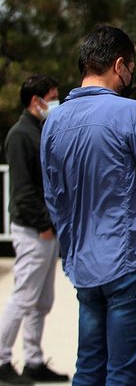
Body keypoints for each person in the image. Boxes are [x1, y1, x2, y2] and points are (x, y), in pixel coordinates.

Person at [40, 24, 136, 385]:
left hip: (85, 264)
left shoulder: (54, 122)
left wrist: (72, 252)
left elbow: (54, 197)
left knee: (88, 367)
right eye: (131, 68)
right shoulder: (131, 114)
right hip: (132, 260)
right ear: (120, 65)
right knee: (123, 373)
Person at [0, 74, 69, 384]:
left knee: (41, 301)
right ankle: (2, 359)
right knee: (23, 298)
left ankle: (33, 359)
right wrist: (43, 223)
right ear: (36, 100)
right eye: (52, 96)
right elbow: (23, 190)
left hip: (46, 230)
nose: (55, 102)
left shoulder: (40, 131)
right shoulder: (20, 135)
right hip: (33, 230)